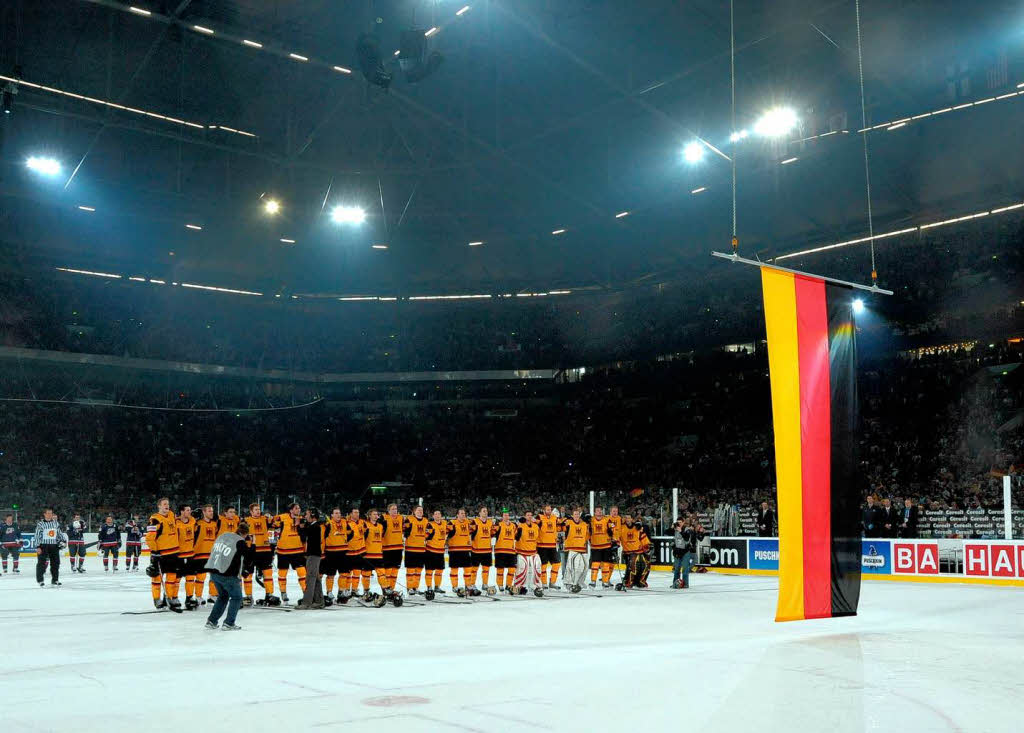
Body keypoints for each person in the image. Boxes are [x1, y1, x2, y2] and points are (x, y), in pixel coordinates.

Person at [204, 520, 252, 631]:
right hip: (228, 575)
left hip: (214, 572)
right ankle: (229, 623)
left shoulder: (225, 536)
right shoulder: (240, 541)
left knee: (223, 597)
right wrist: (251, 545)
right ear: (245, 534)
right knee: (237, 598)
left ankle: (211, 621)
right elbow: (249, 557)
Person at [145, 497, 182, 612]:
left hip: (174, 552)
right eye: (164, 504)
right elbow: (149, 538)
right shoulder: (155, 519)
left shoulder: (171, 514)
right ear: (159, 506)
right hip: (161, 554)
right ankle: (157, 599)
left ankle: (168, 598)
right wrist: (155, 551)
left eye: (168, 504)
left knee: (171, 577)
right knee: (156, 578)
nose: (167, 506)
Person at [272, 502, 306, 603]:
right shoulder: (282, 517)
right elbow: (272, 522)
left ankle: (306, 592)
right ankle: (283, 592)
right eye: (296, 508)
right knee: (282, 573)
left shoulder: (302, 519)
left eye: (299, 508)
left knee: (302, 572)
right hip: (284, 551)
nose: (298, 510)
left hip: (298, 550)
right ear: (291, 510)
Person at [244, 503, 276, 606]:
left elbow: (276, 523)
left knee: (268, 574)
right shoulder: (246, 521)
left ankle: (269, 594)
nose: (258, 511)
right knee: (248, 575)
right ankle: (248, 596)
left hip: (265, 551)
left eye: (258, 509)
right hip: (251, 552)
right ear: (251, 512)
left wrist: (271, 517)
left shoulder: (265, 519)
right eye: (255, 510)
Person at [296, 508, 325, 610]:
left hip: (313, 555)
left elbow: (303, 536)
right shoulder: (314, 526)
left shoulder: (315, 527)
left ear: (312, 515)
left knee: (310, 579)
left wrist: (299, 526)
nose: (305, 516)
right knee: (316, 579)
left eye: (307, 514)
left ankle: (306, 602)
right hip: (313, 555)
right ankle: (319, 601)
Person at [322, 508, 350, 605]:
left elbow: (351, 533)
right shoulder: (328, 524)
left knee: (344, 574)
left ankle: (341, 591)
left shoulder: (345, 522)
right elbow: (323, 536)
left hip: (343, 552)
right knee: (330, 575)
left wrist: (345, 540)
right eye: (336, 513)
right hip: (331, 553)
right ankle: (329, 592)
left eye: (339, 513)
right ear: (332, 515)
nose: (338, 515)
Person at [192, 505, 219, 605]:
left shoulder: (214, 524)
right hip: (200, 553)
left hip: (211, 554)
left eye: (212, 511)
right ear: (204, 512)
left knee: (214, 576)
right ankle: (198, 596)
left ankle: (212, 595)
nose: (211, 513)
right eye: (209, 511)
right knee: (200, 577)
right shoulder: (198, 524)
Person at [512, 511, 542, 596]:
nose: (529, 517)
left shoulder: (536, 526)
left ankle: (536, 586)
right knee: (521, 570)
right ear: (525, 517)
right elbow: (516, 537)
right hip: (522, 552)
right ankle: (519, 586)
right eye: (527, 515)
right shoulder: (520, 525)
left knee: (537, 568)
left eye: (531, 515)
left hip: (533, 552)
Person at [35, 507, 66, 587]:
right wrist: (38, 546)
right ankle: (40, 580)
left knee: (55, 563)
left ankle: (55, 580)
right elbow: (37, 535)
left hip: (54, 546)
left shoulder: (56, 523)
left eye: (51, 513)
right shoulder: (40, 524)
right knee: (41, 563)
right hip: (43, 546)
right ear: (44, 514)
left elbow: (59, 533)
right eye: (48, 513)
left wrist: (63, 541)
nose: (49, 515)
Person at [446, 508, 474, 596]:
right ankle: (454, 586)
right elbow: (446, 535)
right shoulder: (452, 523)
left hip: (466, 550)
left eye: (464, 513)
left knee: (468, 569)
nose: (463, 515)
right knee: (454, 570)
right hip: (454, 550)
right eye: (461, 513)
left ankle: (468, 585)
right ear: (457, 515)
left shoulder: (469, 523)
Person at [561, 507, 589, 593]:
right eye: (575, 514)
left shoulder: (584, 524)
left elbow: (587, 535)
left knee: (585, 567)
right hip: (572, 548)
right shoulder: (568, 523)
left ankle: (579, 582)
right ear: (572, 515)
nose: (577, 515)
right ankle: (570, 583)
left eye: (578, 514)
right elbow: (559, 528)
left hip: (582, 548)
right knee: (574, 567)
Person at [176, 505, 198, 609]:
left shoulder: (193, 521)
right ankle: (173, 597)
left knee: (190, 578)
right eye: (187, 510)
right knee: (176, 578)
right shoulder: (176, 522)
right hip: (178, 555)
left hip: (190, 554)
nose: (190, 512)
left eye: (190, 510)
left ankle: (189, 598)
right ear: (181, 511)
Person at [403, 506, 429, 595]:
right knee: (410, 570)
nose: (420, 512)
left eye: (421, 510)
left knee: (418, 570)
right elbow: (404, 531)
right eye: (418, 510)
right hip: (410, 548)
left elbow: (428, 533)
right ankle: (409, 587)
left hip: (422, 549)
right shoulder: (409, 519)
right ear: (414, 511)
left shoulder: (426, 520)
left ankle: (415, 587)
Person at [619, 514, 651, 588]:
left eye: (629, 518)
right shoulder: (621, 528)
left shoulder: (637, 527)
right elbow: (616, 536)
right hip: (627, 552)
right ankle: (628, 581)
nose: (627, 519)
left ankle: (640, 581)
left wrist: (647, 547)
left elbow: (643, 538)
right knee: (631, 567)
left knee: (645, 566)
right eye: (626, 518)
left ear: (632, 519)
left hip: (639, 552)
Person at [423, 509, 449, 600]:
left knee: (439, 571)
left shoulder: (445, 523)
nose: (438, 515)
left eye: (439, 514)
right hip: (431, 551)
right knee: (429, 571)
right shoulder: (430, 524)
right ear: (433, 516)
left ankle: (437, 587)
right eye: (436, 514)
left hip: (440, 551)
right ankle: (429, 587)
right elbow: (425, 536)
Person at [470, 506, 496, 594]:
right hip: (476, 550)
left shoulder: (490, 523)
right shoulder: (475, 522)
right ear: (480, 513)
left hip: (487, 550)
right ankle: (472, 584)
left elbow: (492, 534)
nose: (485, 512)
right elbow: (470, 534)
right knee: (474, 569)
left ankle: (485, 584)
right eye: (484, 511)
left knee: (486, 569)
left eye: (486, 511)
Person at [381, 504, 405, 596]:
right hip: (387, 549)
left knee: (395, 571)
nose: (395, 511)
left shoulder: (401, 518)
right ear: (388, 510)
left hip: (398, 548)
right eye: (392, 509)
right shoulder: (384, 519)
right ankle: (386, 589)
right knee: (387, 571)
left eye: (396, 509)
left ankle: (392, 589)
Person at [587, 506, 614, 589]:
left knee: (606, 564)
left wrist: (611, 531)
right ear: (594, 512)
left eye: (600, 511)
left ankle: (605, 581)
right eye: (597, 511)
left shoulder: (607, 519)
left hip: (606, 545)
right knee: (595, 564)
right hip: (595, 546)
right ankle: (593, 581)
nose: (599, 512)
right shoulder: (591, 520)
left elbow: (613, 527)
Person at [344, 508, 368, 597]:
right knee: (348, 573)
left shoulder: (362, 522)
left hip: (360, 551)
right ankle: (346, 589)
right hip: (349, 552)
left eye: (358, 512)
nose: (357, 514)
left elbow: (366, 533)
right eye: (355, 512)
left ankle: (354, 589)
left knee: (357, 572)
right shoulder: (346, 523)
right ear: (350, 514)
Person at [537, 505, 561, 590]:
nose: (549, 511)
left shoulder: (554, 518)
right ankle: (544, 583)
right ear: (544, 510)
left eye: (550, 510)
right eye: (547, 510)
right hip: (542, 546)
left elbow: (560, 525)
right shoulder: (539, 517)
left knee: (557, 563)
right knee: (543, 565)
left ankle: (552, 582)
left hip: (553, 545)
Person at [676, 517, 704, 589]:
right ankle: (676, 582)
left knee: (690, 562)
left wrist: (702, 533)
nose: (678, 524)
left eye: (680, 522)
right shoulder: (689, 530)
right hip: (684, 550)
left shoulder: (690, 531)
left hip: (687, 550)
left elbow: (698, 538)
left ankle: (686, 579)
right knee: (678, 568)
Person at [492, 510, 517, 592]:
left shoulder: (513, 526)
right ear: (502, 517)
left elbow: (518, 535)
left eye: (507, 515)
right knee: (500, 570)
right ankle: (500, 585)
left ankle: (508, 585)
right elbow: (492, 533)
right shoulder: (498, 524)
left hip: (511, 551)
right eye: (505, 515)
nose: (506, 516)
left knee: (512, 570)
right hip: (500, 551)